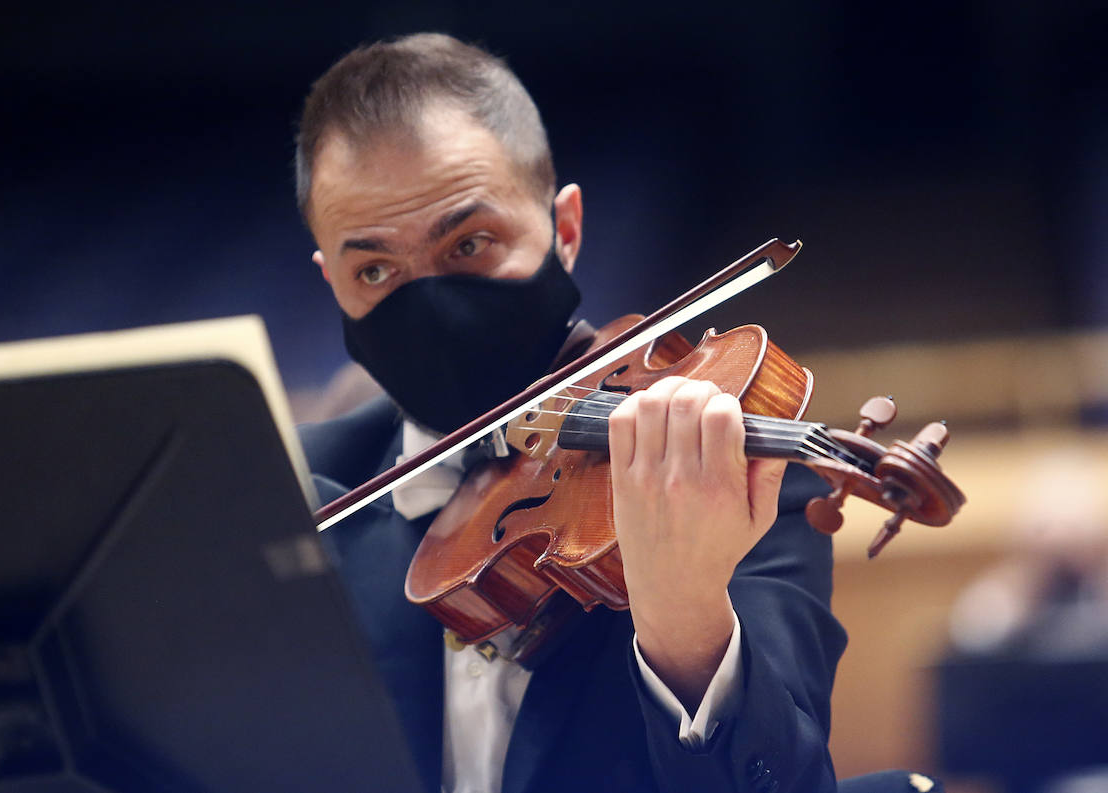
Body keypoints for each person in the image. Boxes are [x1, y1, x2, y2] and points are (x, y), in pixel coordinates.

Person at [294, 33, 861, 793]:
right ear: (332, 282)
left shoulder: (721, 455)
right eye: (374, 270)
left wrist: (684, 618)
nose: (428, 302)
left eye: (471, 243)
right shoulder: (298, 498)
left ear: (564, 230)